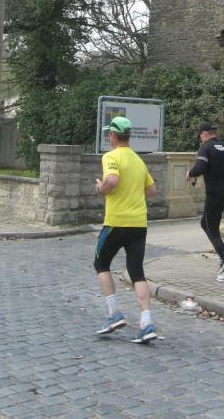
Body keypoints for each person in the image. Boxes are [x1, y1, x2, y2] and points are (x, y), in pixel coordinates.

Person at [94, 115, 158, 344]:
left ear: (113, 135)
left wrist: (102, 188)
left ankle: (114, 314)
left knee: (101, 264)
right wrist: (132, 190)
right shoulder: (138, 160)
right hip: (138, 223)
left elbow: (112, 180)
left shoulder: (111, 156)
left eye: (109, 134)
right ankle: (146, 324)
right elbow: (151, 191)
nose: (109, 137)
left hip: (116, 222)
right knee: (137, 272)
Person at [187, 121, 224, 283]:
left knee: (211, 230)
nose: (200, 139)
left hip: (214, 195)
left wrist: (190, 173)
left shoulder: (205, 148)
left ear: (204, 134)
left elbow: (199, 168)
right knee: (206, 224)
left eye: (200, 136)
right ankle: (223, 260)